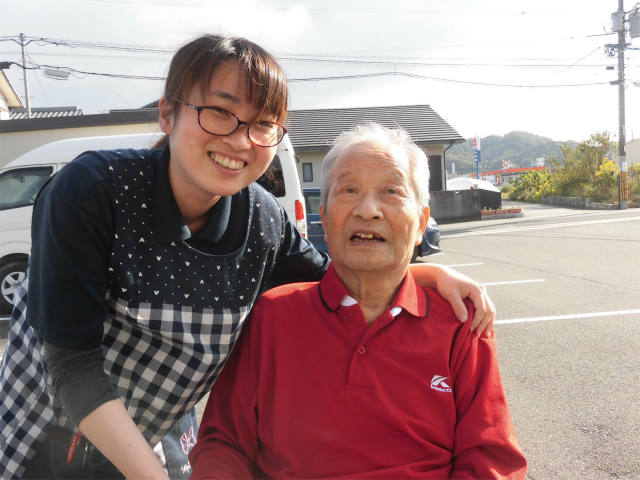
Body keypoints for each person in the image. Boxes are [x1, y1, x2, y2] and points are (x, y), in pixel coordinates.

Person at [0, 36, 494, 480]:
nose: (240, 141)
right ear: (168, 113)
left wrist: (425, 273)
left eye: (263, 124)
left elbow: (339, 279)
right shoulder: (93, 190)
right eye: (220, 112)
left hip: (150, 436)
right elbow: (73, 365)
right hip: (42, 439)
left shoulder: (260, 220)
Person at [190, 123, 526, 480]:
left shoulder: (460, 321)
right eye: (349, 190)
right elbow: (224, 443)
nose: (368, 210)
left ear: (420, 224)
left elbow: (491, 459)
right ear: (324, 216)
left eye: (391, 191)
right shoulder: (272, 316)